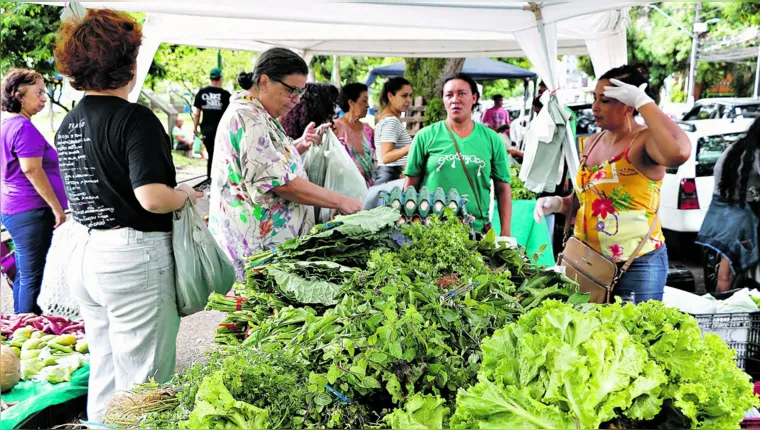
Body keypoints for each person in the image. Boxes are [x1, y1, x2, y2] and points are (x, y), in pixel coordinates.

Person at [54, 9, 203, 421]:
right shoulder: (135, 119)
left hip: (86, 254)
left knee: (105, 367)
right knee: (144, 381)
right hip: (132, 258)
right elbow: (152, 198)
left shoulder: (68, 124)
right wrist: (185, 195)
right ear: (129, 64)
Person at [534, 64, 691, 303]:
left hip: (636, 264)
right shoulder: (592, 142)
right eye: (595, 98)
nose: (595, 107)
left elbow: (679, 151)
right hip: (588, 261)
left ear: (628, 104)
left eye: (605, 100)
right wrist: (558, 203)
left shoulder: (645, 141)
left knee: (632, 336)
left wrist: (643, 101)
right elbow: (590, 199)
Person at [208, 48, 363, 280]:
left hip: (264, 247)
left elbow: (268, 164)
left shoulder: (258, 113)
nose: (297, 100)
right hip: (260, 251)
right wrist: (340, 201)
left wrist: (299, 145)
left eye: (301, 92)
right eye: (291, 91)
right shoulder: (249, 118)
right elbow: (283, 184)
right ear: (264, 81)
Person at [404, 73, 512, 236]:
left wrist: (505, 232)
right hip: (431, 230)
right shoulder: (425, 136)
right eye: (449, 95)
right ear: (443, 100)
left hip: (476, 229)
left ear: (474, 98)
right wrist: (408, 225)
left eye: (462, 93)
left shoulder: (491, 139)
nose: (455, 99)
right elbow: (410, 185)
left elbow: (502, 187)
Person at [0, 69, 68, 314]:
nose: (44, 98)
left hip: (17, 210)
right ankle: (29, 328)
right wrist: (57, 209)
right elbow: (31, 170)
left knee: (25, 273)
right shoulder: (22, 128)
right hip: (31, 211)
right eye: (38, 92)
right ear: (18, 94)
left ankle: (21, 325)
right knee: (33, 276)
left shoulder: (8, 124)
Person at [698, 117, 760, 292]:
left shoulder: (739, 147)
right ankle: (722, 311)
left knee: (733, 267)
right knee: (729, 273)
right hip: (742, 216)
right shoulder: (756, 152)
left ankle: (723, 309)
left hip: (723, 212)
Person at [334, 83, 375, 187]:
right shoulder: (335, 128)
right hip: (347, 190)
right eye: (364, 101)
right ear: (351, 103)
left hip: (369, 189)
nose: (368, 106)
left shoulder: (368, 129)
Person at [193, 67, 231, 179]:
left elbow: (197, 114)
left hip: (206, 131)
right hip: (221, 131)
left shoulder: (202, 93)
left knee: (211, 155)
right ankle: (218, 179)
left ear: (211, 78)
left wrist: (195, 129)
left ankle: (210, 178)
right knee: (220, 156)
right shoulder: (225, 95)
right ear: (221, 78)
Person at [374, 77, 413, 185]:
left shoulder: (386, 118)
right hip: (391, 178)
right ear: (390, 96)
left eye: (410, 95)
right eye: (404, 96)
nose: (409, 100)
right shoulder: (391, 121)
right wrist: (410, 147)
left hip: (390, 177)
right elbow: (386, 157)